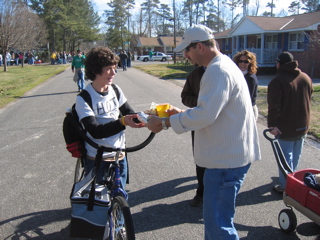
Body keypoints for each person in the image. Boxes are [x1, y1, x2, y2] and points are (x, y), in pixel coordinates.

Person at [146, 24, 261, 240]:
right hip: (228, 157)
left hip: (225, 161)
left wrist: (165, 121)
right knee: (219, 222)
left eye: (187, 51)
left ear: (199, 46)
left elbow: (206, 115)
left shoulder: (217, 70)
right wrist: (180, 113)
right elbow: (213, 111)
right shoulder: (222, 65)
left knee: (218, 227)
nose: (186, 56)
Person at [75, 46, 144, 188]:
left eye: (115, 68)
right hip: (97, 158)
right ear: (95, 70)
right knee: (97, 202)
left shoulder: (115, 90)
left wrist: (153, 118)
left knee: (119, 195)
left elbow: (129, 114)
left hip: (119, 155)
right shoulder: (84, 98)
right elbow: (95, 131)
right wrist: (122, 122)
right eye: (109, 69)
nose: (114, 73)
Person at [267, 51, 313, 193]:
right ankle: (292, 179)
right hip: (303, 124)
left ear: (279, 63)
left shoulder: (278, 81)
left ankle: (286, 186)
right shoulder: (305, 77)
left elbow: (274, 106)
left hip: (285, 127)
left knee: (285, 158)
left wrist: (272, 125)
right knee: (295, 155)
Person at [233, 50, 259, 120]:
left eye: (246, 62)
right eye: (240, 61)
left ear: (250, 63)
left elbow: (248, 99)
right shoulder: (236, 75)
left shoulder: (250, 78)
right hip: (239, 109)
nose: (242, 64)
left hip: (249, 109)